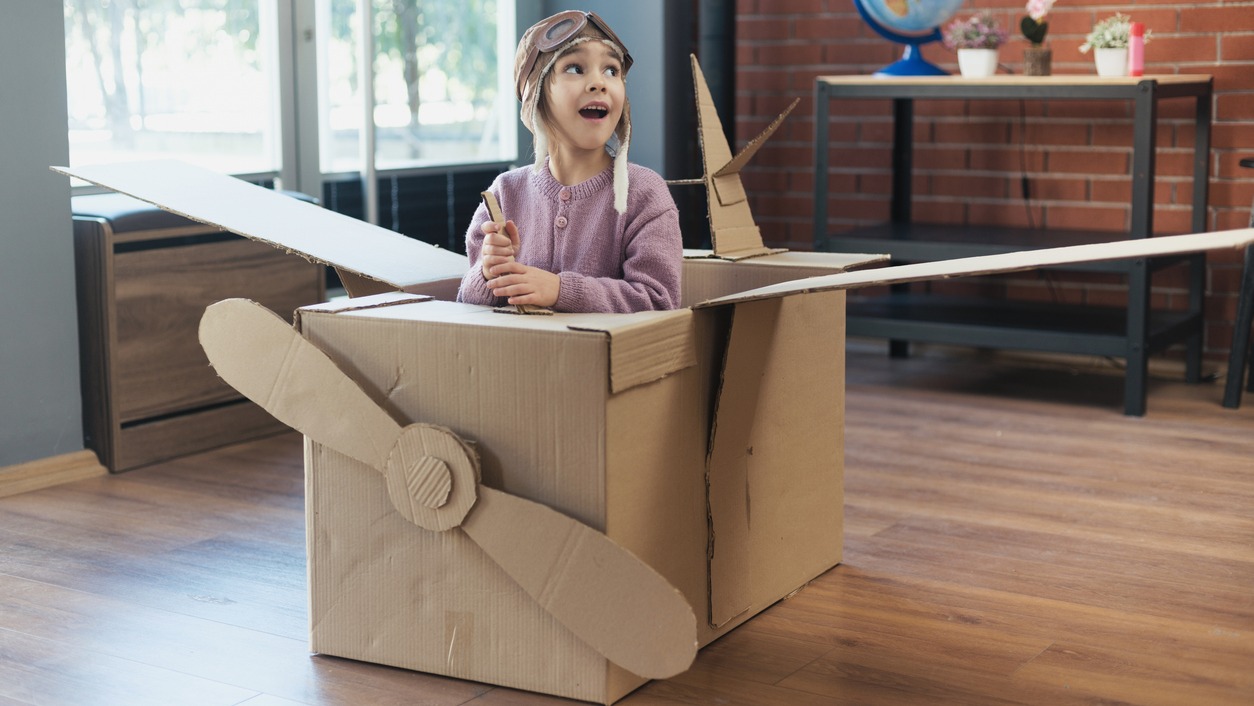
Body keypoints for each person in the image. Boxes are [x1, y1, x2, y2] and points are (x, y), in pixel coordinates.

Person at [456, 10, 683, 313]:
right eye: (575, 68)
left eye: (612, 71)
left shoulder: (645, 194)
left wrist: (560, 290)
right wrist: (488, 272)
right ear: (536, 95)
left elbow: (660, 301)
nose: (599, 83)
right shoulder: (504, 194)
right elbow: (465, 309)